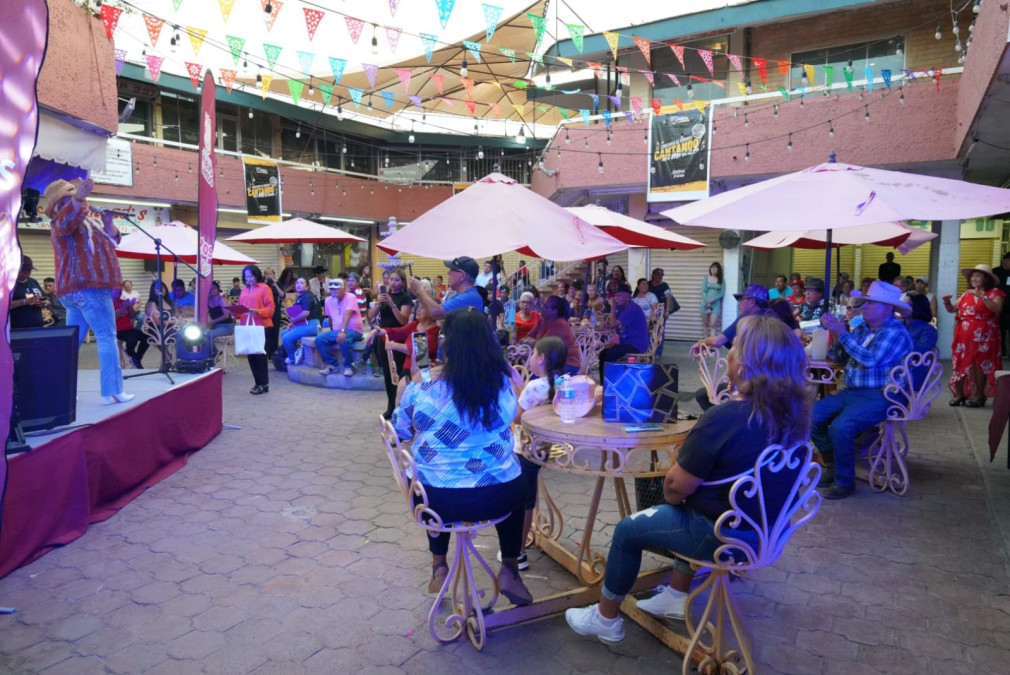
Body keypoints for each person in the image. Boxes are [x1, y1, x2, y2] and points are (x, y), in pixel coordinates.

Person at [565, 315, 812, 642]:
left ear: (746, 365)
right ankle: (677, 596)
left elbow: (675, 488)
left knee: (629, 528)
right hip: (767, 533)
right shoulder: (797, 415)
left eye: (735, 347)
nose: (728, 355)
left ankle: (605, 619)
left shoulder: (725, 417)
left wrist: (674, 496)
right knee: (692, 503)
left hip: (719, 535)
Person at [392, 308, 533, 606]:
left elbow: (400, 431)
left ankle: (439, 566)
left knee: (432, 474)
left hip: (433, 501)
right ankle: (510, 567)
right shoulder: (500, 384)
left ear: (447, 343)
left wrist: (403, 391)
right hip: (497, 496)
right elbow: (517, 416)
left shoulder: (421, 383)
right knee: (520, 477)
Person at [814, 281, 913, 499]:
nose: (864, 307)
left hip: (883, 394)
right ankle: (833, 465)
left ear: (887, 308)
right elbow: (838, 357)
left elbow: (870, 360)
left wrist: (844, 334)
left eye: (870, 303)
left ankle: (844, 482)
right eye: (865, 303)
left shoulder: (895, 331)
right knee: (809, 416)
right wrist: (838, 333)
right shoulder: (862, 328)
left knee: (841, 428)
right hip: (852, 392)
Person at [43, 177, 133, 405]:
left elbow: (111, 242)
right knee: (106, 337)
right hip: (89, 286)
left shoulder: (85, 222)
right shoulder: (64, 218)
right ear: (63, 200)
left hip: (73, 291)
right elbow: (66, 221)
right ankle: (112, 390)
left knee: (73, 341)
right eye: (71, 193)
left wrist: (108, 222)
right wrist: (78, 198)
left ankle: (62, 390)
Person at [504, 335, 570, 570]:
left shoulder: (534, 386)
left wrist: (515, 387)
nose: (530, 357)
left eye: (532, 354)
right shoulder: (565, 381)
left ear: (541, 358)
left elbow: (518, 417)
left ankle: (518, 553)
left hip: (527, 449)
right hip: (552, 447)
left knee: (523, 502)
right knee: (528, 498)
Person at [692, 284, 770, 412]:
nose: (739, 303)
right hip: (777, 384)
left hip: (750, 383)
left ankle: (722, 421)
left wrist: (701, 342)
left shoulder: (747, 319)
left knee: (702, 395)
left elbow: (718, 341)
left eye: (741, 300)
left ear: (751, 302)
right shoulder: (774, 318)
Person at [943, 264, 1005, 407]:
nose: (974, 278)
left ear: (987, 278)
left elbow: (997, 309)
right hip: (964, 335)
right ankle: (960, 395)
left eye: (978, 276)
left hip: (985, 334)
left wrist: (982, 297)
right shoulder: (967, 293)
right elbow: (952, 309)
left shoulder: (995, 293)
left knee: (980, 364)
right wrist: (946, 302)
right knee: (961, 362)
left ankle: (978, 396)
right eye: (972, 276)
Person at [367, 267, 413, 417]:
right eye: (391, 279)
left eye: (397, 280)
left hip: (398, 336)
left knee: (398, 371)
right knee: (387, 372)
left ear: (403, 282)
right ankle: (390, 405)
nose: (393, 283)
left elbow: (403, 320)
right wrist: (378, 304)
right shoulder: (383, 295)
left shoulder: (405, 298)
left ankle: (400, 406)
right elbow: (370, 317)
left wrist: (392, 304)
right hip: (383, 336)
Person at [366, 301, 439, 390]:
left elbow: (419, 352)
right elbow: (397, 332)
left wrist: (393, 345)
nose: (418, 310)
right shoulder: (415, 324)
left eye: (422, 307)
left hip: (424, 375)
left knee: (403, 392)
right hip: (408, 371)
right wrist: (377, 331)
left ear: (432, 311)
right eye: (418, 307)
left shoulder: (435, 331)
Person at [237, 264, 276, 395]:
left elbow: (271, 309)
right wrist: (235, 312)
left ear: (256, 275)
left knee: (259, 356)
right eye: (247, 276)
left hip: (260, 325)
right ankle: (257, 383)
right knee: (251, 355)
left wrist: (257, 311)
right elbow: (240, 306)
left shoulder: (264, 288)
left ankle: (263, 383)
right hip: (246, 325)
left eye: (251, 276)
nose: (249, 279)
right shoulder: (244, 289)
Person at [317, 278, 365, 377]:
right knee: (319, 339)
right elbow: (330, 319)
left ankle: (349, 366)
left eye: (337, 289)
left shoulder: (351, 297)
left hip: (354, 330)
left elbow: (347, 315)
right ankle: (332, 365)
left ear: (343, 289)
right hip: (338, 330)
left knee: (343, 338)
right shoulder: (328, 300)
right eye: (332, 289)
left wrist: (342, 331)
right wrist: (332, 333)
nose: (334, 291)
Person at [599, 283, 650, 375]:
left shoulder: (632, 308)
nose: (616, 298)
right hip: (625, 342)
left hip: (636, 344)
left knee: (609, 354)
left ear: (628, 296)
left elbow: (613, 323)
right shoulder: (621, 307)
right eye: (615, 296)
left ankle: (612, 379)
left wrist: (613, 306)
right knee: (603, 353)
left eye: (619, 295)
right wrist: (605, 323)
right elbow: (612, 324)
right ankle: (606, 381)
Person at [410, 256, 483, 319]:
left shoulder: (469, 297)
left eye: (452, 270)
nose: (448, 273)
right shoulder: (459, 295)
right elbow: (439, 306)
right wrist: (425, 294)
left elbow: (436, 313)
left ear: (462, 275)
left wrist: (420, 291)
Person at [525, 294, 581, 375]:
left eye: (545, 307)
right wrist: (529, 340)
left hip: (567, 364)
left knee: (533, 378)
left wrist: (530, 341)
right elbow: (528, 337)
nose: (541, 308)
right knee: (526, 374)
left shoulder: (560, 324)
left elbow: (542, 346)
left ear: (555, 311)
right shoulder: (543, 321)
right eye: (542, 305)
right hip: (549, 362)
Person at [281, 278, 321, 363]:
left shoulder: (307, 296)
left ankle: (293, 359)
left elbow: (305, 313)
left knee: (286, 338)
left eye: (302, 283)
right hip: (305, 324)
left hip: (312, 325)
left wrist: (293, 320)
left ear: (307, 287)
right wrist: (294, 323)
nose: (298, 284)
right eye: (297, 283)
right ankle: (298, 353)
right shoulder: (302, 296)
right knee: (284, 333)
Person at [904, 294, 939, 391]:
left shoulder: (927, 329)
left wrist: (900, 342)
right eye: (902, 303)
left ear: (918, 307)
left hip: (912, 373)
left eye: (908, 305)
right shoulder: (900, 325)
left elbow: (922, 353)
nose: (902, 306)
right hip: (897, 370)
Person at [10, 256, 46, 329]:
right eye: (24, 270)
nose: (27, 273)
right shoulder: (8, 284)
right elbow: (4, 305)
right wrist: (25, 301)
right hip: (17, 327)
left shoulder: (33, 281)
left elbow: (46, 299)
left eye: (29, 270)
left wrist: (43, 302)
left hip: (37, 325)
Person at [114, 295, 147, 369]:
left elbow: (132, 317)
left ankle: (137, 358)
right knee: (132, 339)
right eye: (115, 290)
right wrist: (124, 308)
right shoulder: (109, 303)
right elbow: (114, 317)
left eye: (119, 290)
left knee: (146, 338)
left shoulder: (123, 301)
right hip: (118, 330)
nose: (117, 292)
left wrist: (131, 307)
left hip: (129, 328)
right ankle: (131, 353)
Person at [263, 268, 283, 360]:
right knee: (266, 332)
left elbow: (282, 295)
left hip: (275, 309)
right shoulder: (262, 284)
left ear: (274, 275)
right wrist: (265, 283)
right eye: (267, 274)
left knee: (275, 331)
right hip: (266, 310)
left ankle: (273, 353)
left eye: (271, 274)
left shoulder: (277, 284)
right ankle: (266, 353)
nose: (269, 276)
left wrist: (274, 284)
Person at [700, 262, 724, 339]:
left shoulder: (721, 280)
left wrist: (713, 299)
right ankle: (705, 342)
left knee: (713, 324)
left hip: (716, 304)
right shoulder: (706, 278)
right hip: (705, 304)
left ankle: (712, 343)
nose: (713, 269)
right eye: (712, 267)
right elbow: (703, 290)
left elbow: (722, 293)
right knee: (705, 324)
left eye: (715, 268)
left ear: (718, 269)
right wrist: (707, 300)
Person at [995, 252, 1010, 354]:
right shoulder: (995, 272)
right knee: (1000, 331)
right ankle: (1001, 352)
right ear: (1005, 260)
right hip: (998, 307)